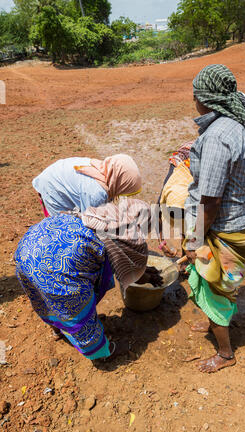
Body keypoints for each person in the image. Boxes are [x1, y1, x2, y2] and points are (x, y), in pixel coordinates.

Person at [184, 64, 245, 373]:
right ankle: (216, 320)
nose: (193, 100)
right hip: (241, 222)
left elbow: (211, 200)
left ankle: (226, 353)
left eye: (196, 95)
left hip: (223, 230)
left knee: (217, 290)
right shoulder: (237, 120)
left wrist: (195, 239)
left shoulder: (216, 138)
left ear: (207, 99)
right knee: (221, 286)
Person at [14, 198, 162, 362]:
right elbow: (130, 272)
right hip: (56, 268)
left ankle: (57, 330)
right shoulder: (126, 236)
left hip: (28, 250)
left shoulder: (100, 217)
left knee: (45, 298)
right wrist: (145, 276)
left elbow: (124, 260)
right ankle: (103, 351)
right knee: (78, 312)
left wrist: (141, 270)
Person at [32, 154, 142, 217]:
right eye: (125, 190)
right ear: (121, 183)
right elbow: (90, 222)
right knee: (62, 228)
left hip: (56, 175)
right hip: (52, 187)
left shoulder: (106, 171)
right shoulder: (97, 193)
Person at [157, 142, 194, 260]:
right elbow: (158, 211)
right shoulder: (168, 188)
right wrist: (162, 243)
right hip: (186, 157)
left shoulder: (203, 182)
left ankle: (187, 255)